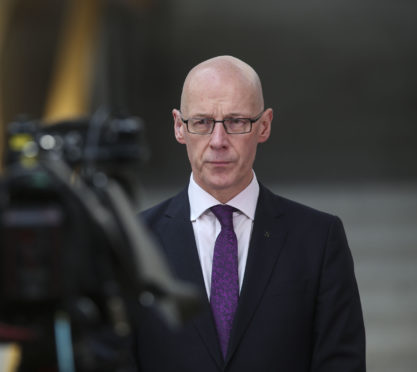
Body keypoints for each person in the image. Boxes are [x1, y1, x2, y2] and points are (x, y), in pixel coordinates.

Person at [134, 56, 365, 371]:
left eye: (236, 122)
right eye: (201, 122)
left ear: (264, 125)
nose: (218, 141)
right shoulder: (134, 241)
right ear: (179, 126)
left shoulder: (319, 239)